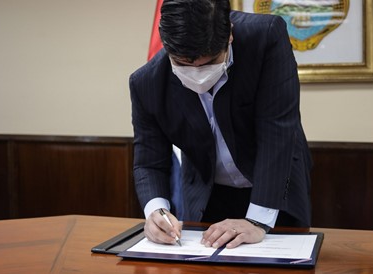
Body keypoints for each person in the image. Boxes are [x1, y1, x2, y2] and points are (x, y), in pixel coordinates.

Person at [129, 0, 312, 249]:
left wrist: (257, 221)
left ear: (230, 35)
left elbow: (278, 128)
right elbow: (149, 161)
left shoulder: (266, 36)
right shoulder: (146, 83)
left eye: (209, 62)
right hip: (208, 195)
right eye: (183, 64)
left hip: (275, 188)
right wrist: (156, 212)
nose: (197, 72)